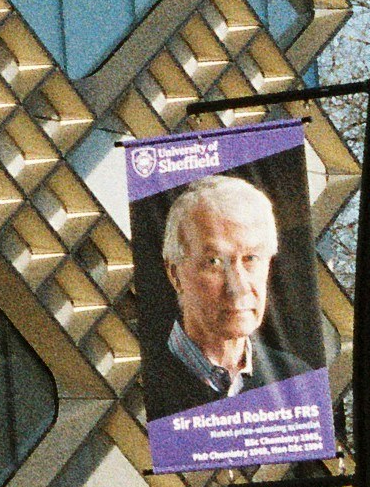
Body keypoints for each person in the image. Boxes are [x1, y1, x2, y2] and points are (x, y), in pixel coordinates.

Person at [134, 171, 314, 422]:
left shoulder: (297, 381)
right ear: (175, 274)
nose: (238, 286)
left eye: (250, 259)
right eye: (215, 261)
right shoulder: (139, 385)